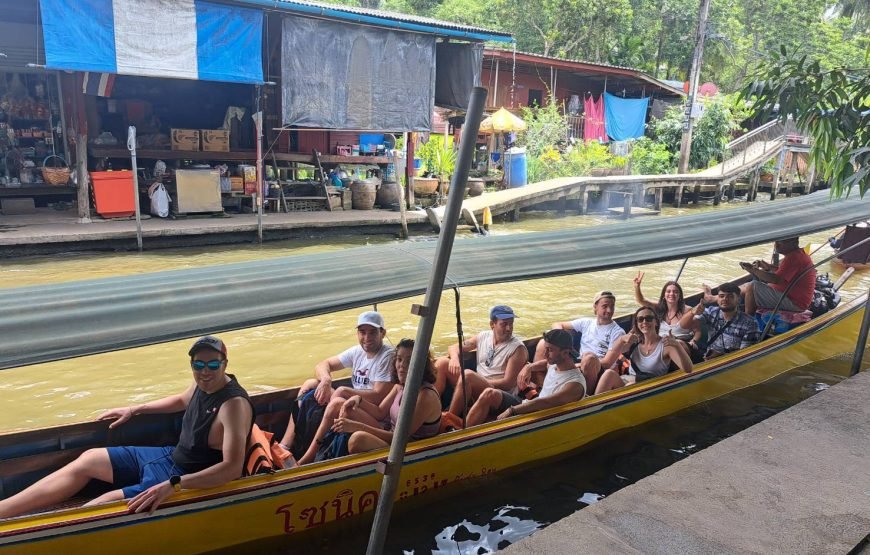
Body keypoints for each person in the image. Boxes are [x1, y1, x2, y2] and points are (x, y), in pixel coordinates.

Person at [0, 336, 254, 519]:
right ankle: (4, 510)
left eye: (213, 365)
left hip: (187, 476)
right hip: (171, 455)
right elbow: (181, 400)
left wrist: (174, 485)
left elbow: (231, 469)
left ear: (225, 364)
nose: (205, 371)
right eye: (198, 365)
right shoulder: (202, 383)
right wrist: (134, 409)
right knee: (90, 458)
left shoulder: (233, 405)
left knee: (101, 506)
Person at [298, 338, 441, 463]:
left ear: (421, 364)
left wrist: (356, 426)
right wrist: (359, 400)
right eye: (399, 359)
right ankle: (308, 459)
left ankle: (331, 466)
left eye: (409, 361)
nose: (402, 365)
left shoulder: (425, 396)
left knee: (357, 439)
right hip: (390, 436)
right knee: (344, 407)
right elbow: (380, 412)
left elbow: (400, 438)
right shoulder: (400, 387)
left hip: (407, 448)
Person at [278, 311, 395, 455]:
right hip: (354, 404)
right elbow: (323, 364)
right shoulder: (358, 351)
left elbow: (378, 396)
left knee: (339, 399)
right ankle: (285, 446)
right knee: (310, 384)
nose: (366, 338)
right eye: (362, 332)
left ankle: (308, 457)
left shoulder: (387, 356)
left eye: (372, 332)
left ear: (383, 333)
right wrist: (326, 380)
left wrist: (344, 392)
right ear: (357, 333)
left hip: (375, 417)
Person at [466, 329, 586, 425]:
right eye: (545, 349)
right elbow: (545, 363)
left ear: (565, 353)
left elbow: (546, 402)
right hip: (530, 404)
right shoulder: (555, 364)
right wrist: (529, 367)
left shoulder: (574, 384)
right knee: (489, 394)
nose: (545, 354)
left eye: (549, 350)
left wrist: (512, 410)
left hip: (540, 417)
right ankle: (464, 432)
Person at [436, 305, 528, 419]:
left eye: (511, 323)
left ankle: (449, 419)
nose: (509, 328)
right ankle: (433, 409)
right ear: (492, 324)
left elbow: (508, 383)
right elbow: (454, 347)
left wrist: (476, 381)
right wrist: (454, 358)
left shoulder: (517, 349)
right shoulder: (483, 336)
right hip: (477, 384)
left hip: (499, 394)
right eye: (504, 324)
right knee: (442, 363)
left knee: (468, 376)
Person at [541, 291, 624, 395]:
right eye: (605, 306)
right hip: (580, 359)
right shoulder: (586, 323)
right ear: (595, 307)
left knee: (589, 358)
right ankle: (543, 387)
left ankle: (584, 396)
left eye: (612, 306)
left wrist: (580, 364)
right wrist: (560, 337)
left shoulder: (617, 332)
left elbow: (607, 363)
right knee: (543, 342)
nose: (609, 310)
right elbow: (557, 324)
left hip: (598, 368)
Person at [596, 307, 694, 392]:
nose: (644, 322)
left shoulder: (666, 344)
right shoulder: (634, 342)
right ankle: (595, 405)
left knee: (630, 386)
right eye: (640, 319)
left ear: (656, 322)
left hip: (649, 386)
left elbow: (688, 369)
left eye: (649, 318)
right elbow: (614, 352)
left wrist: (677, 345)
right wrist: (621, 339)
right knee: (608, 374)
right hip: (628, 380)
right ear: (637, 324)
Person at [679, 282, 760, 360]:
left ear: (738, 299)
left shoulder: (750, 323)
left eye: (730, 296)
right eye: (721, 296)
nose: (725, 299)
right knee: (679, 344)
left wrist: (720, 355)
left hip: (730, 362)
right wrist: (692, 313)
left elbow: (745, 356)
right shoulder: (712, 312)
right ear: (718, 299)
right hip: (707, 354)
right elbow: (684, 325)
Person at [738, 237, 816, 315]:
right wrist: (768, 266)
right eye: (776, 242)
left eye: (780, 243)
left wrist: (753, 270)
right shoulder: (798, 254)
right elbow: (785, 272)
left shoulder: (794, 258)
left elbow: (776, 279)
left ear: (793, 243)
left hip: (795, 303)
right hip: (791, 298)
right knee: (745, 288)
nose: (776, 246)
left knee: (752, 286)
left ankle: (748, 318)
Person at [633, 272, 701, 352]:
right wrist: (637, 287)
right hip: (661, 344)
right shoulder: (658, 308)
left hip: (682, 344)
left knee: (675, 345)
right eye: (668, 291)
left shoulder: (688, 310)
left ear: (679, 295)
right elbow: (641, 300)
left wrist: (693, 341)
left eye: (675, 292)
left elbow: (697, 331)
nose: (671, 294)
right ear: (664, 295)